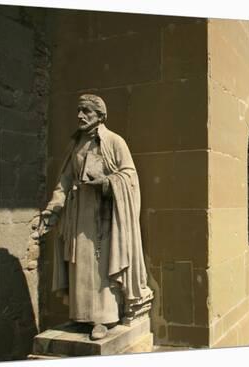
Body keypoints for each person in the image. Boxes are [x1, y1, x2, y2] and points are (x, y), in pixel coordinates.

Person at [38, 94, 153, 340]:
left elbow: (129, 177)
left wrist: (107, 183)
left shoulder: (114, 142)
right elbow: (64, 181)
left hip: (106, 216)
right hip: (78, 216)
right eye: (79, 111)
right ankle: (82, 317)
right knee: (80, 265)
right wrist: (54, 208)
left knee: (101, 267)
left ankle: (103, 319)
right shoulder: (76, 145)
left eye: (86, 111)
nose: (80, 116)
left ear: (100, 116)